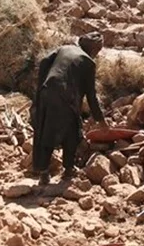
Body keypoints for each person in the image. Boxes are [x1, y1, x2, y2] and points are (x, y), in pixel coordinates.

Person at [31, 32, 108, 185]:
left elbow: (45, 61)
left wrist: (41, 88)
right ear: (94, 49)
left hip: (47, 90)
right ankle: (68, 170)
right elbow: (91, 95)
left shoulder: (64, 48)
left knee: (47, 129)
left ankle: (44, 172)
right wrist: (101, 120)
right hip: (65, 96)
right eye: (98, 50)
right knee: (71, 130)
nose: (97, 54)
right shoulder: (88, 62)